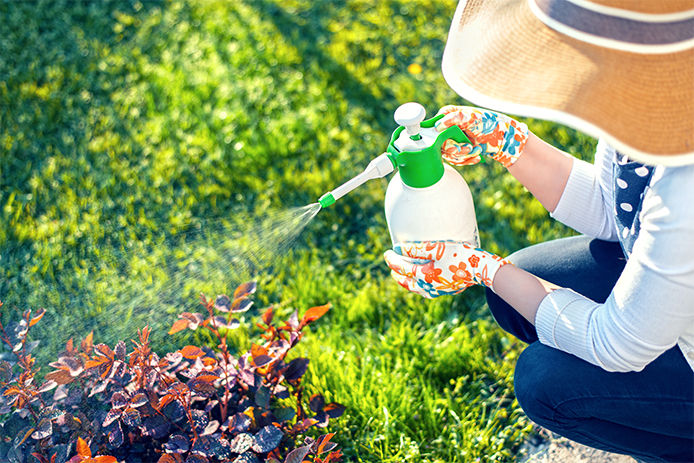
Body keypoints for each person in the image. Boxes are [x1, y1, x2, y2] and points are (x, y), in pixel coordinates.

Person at [383, 1, 694, 461]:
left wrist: (481, 267)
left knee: (545, 381)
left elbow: (616, 345)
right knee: (521, 286)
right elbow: (619, 211)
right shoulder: (655, 104)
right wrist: (511, 143)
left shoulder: (687, 186)